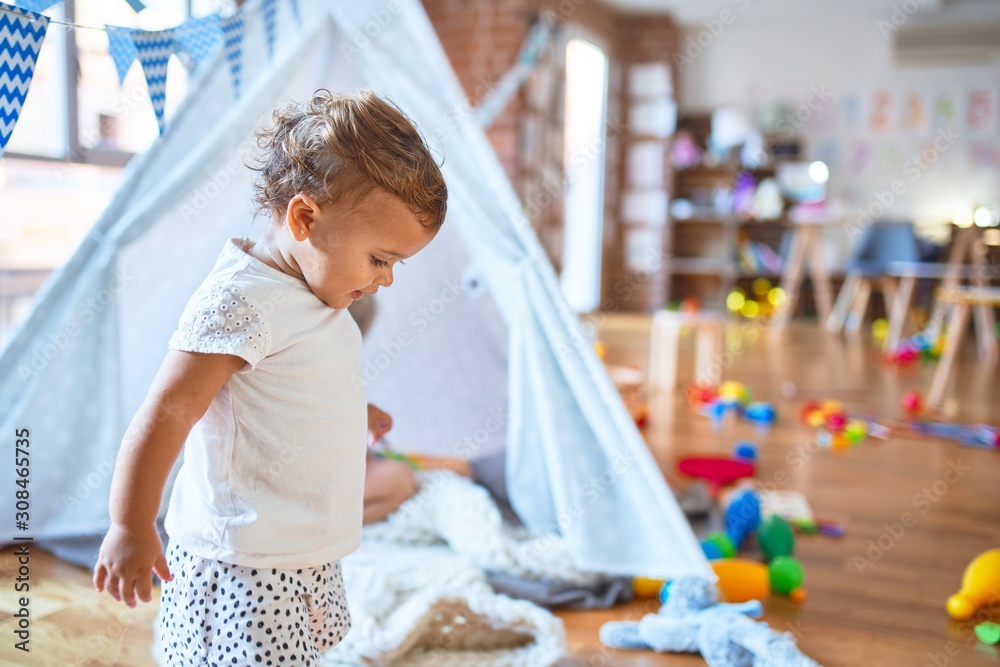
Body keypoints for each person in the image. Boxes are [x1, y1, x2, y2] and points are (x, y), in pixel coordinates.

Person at [92, 89, 447, 666]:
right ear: (305, 218)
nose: (386, 279)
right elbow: (167, 412)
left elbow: (289, 381)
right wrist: (130, 525)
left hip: (300, 548)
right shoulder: (239, 302)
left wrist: (350, 409)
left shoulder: (315, 293)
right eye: (380, 259)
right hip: (244, 560)